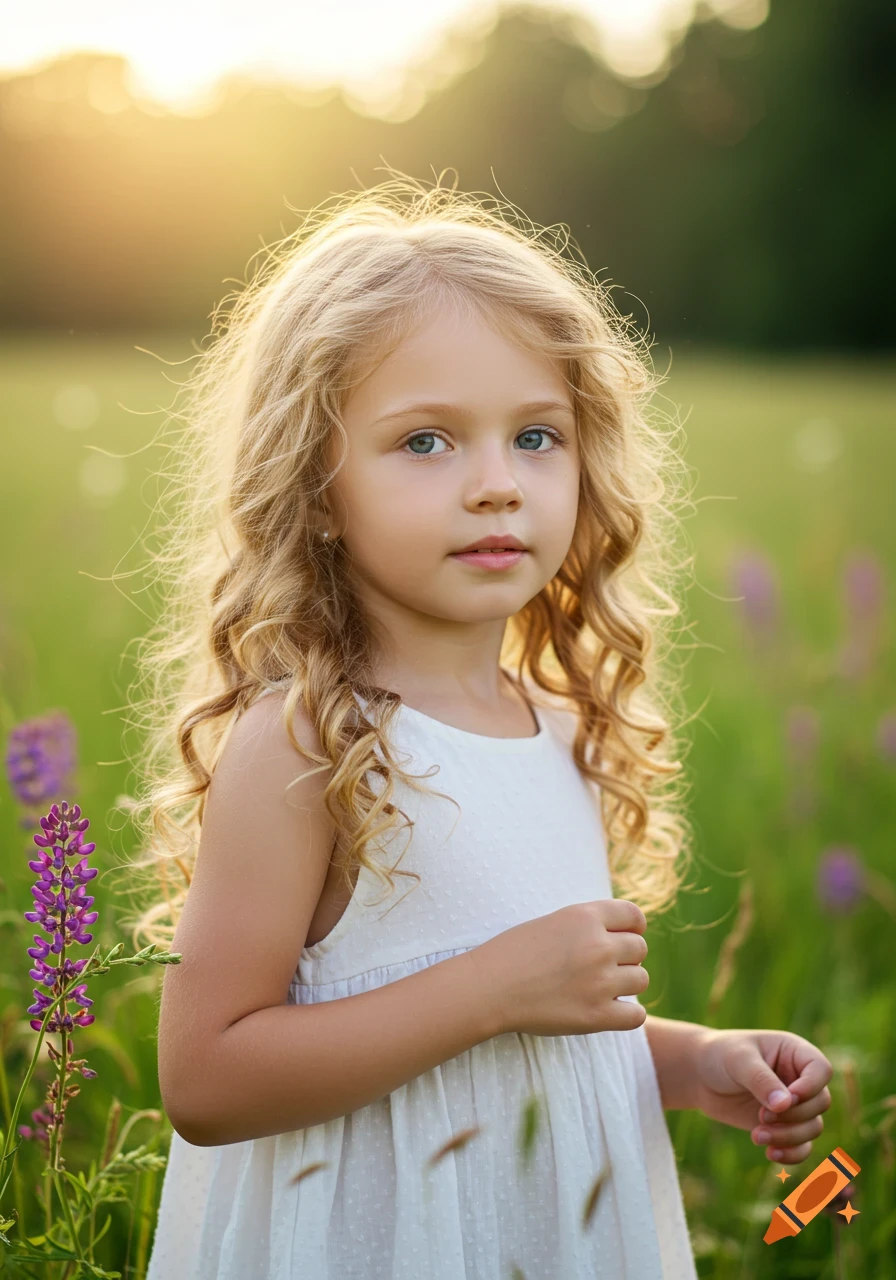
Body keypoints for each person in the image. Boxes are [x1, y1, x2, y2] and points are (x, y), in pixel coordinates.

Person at [135, 172, 833, 1279]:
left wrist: (692, 1061)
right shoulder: (310, 740)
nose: (495, 485)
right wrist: (496, 982)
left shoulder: (556, 728)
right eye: (425, 442)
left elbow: (529, 1045)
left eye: (536, 437)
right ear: (314, 484)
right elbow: (209, 1080)